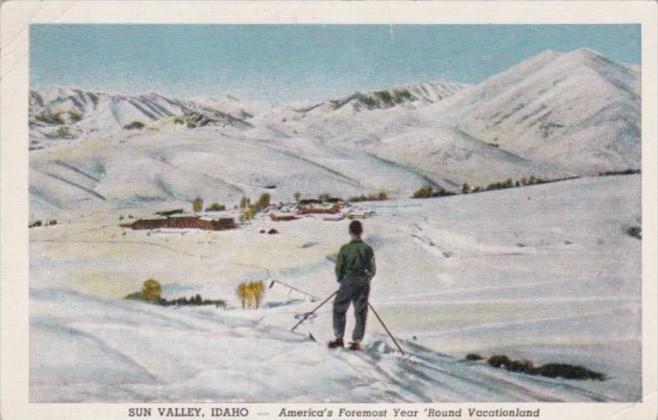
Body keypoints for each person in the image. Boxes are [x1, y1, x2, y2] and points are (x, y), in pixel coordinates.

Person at [328, 220, 376, 351]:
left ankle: (339, 339)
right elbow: (372, 269)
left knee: (339, 308)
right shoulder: (367, 249)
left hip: (348, 281)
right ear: (361, 232)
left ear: (350, 232)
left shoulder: (345, 249)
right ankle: (357, 341)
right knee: (360, 311)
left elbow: (339, 268)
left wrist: (341, 280)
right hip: (363, 283)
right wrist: (366, 279)